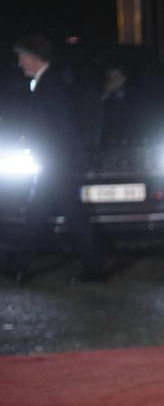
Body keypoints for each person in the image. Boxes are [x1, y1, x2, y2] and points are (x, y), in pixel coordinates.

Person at [10, 35, 105, 282]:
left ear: (32, 57)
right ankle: (19, 265)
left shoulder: (51, 84)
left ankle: (94, 267)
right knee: (42, 214)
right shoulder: (49, 83)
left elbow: (63, 126)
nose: (20, 63)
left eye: (21, 58)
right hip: (54, 163)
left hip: (56, 163)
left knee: (68, 217)